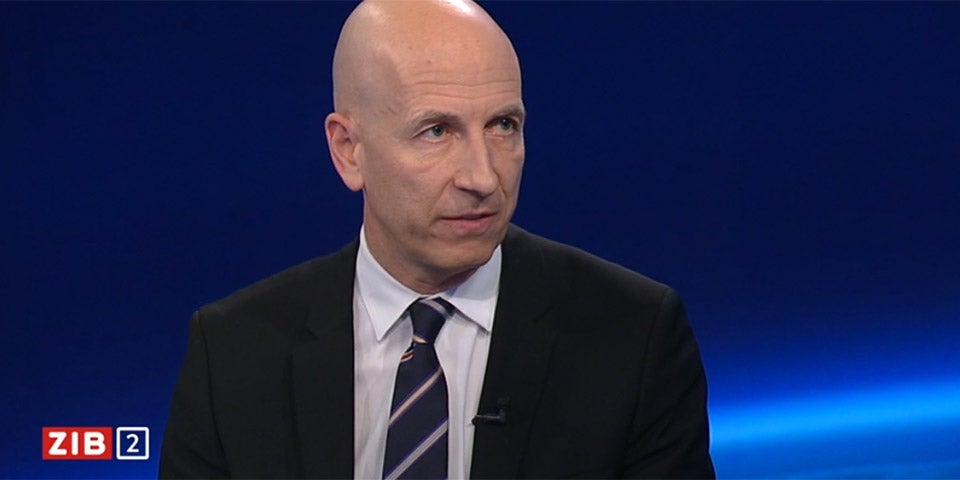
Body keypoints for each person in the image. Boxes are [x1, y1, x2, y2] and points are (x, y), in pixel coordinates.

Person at [159, 1, 714, 478]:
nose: (483, 177)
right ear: (348, 149)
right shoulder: (232, 353)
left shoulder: (634, 335)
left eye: (503, 125)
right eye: (437, 131)